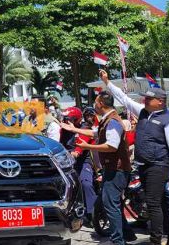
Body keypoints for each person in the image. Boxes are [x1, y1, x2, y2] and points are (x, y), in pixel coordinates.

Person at [100, 69, 169, 245]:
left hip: (158, 166)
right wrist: (107, 83)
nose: (143, 100)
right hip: (144, 165)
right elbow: (124, 99)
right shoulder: (143, 112)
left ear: (160, 102)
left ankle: (155, 241)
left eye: (148, 98)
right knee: (159, 204)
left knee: (153, 204)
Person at [60, 90, 134, 245]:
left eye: (95, 101)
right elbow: (94, 132)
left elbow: (112, 146)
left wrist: (87, 145)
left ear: (100, 103)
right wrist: (74, 129)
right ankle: (127, 235)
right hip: (112, 169)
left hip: (117, 170)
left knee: (110, 205)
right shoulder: (107, 120)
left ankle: (118, 240)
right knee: (112, 204)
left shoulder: (112, 121)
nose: (94, 104)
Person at [59, 107, 97, 226]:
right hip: (65, 163)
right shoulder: (63, 130)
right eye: (65, 119)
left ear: (75, 119)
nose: (66, 121)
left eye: (68, 119)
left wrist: (76, 153)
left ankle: (93, 214)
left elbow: (80, 145)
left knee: (86, 184)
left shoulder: (84, 128)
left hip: (82, 163)